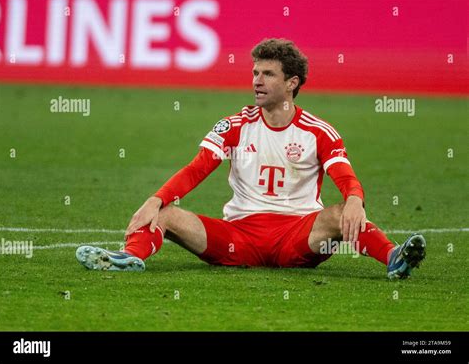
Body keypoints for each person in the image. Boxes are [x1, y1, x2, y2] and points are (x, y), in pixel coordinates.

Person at [76, 38, 426, 279]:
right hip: (237, 238)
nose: (257, 81)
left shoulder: (318, 131)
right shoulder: (234, 125)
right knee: (164, 213)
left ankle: (394, 258)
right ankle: (129, 258)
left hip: (297, 238)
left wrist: (355, 199)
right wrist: (155, 199)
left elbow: (345, 177)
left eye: (267, 74)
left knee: (341, 213)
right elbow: (198, 168)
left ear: (292, 83)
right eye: (255, 72)